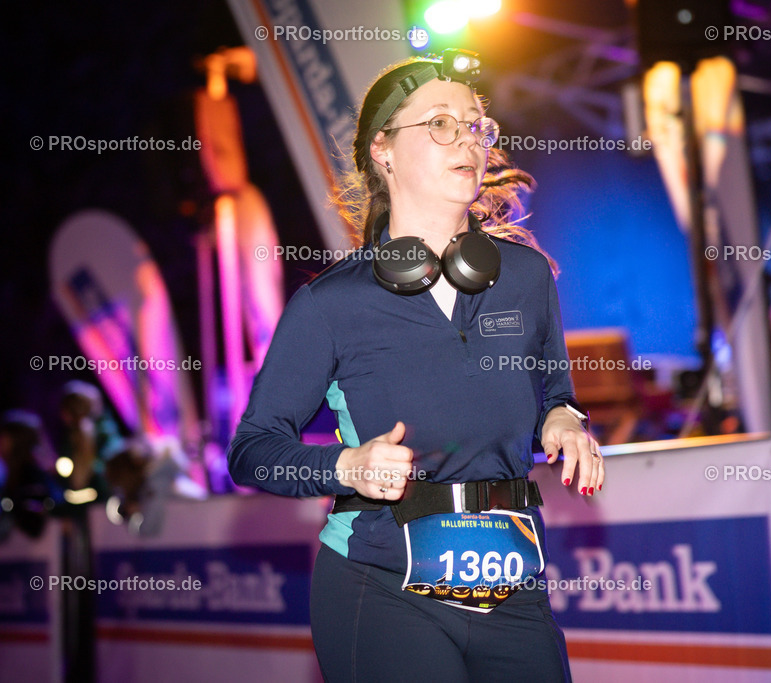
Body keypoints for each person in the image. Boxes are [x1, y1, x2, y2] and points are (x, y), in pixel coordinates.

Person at [228, 49, 602, 682]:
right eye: (440, 124)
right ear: (384, 150)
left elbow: (553, 393)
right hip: (380, 585)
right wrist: (348, 464)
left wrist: (564, 421)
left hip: (512, 586)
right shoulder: (331, 302)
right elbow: (252, 450)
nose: (468, 140)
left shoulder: (527, 277)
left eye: (477, 126)